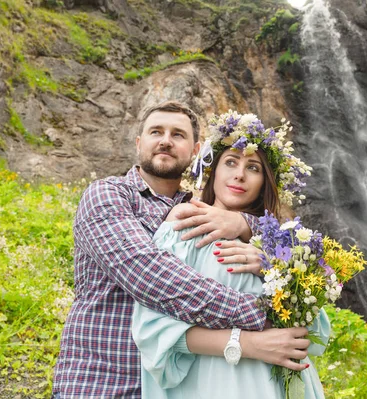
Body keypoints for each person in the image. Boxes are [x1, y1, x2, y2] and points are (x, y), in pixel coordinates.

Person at [52, 102, 311, 398]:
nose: (165, 140)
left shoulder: (205, 211)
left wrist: (245, 223)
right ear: (139, 143)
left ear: (195, 151)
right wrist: (260, 316)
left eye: (178, 134)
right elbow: (150, 275)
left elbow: (281, 238)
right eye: (156, 132)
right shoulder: (108, 195)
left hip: (178, 387)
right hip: (102, 382)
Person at [132, 110, 329, 399]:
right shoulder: (183, 227)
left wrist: (271, 266)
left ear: (265, 181)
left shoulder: (282, 247)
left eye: (253, 168)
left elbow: (313, 332)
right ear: (212, 171)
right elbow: (152, 327)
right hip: (209, 382)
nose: (239, 174)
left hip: (279, 386)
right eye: (231, 162)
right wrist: (243, 343)